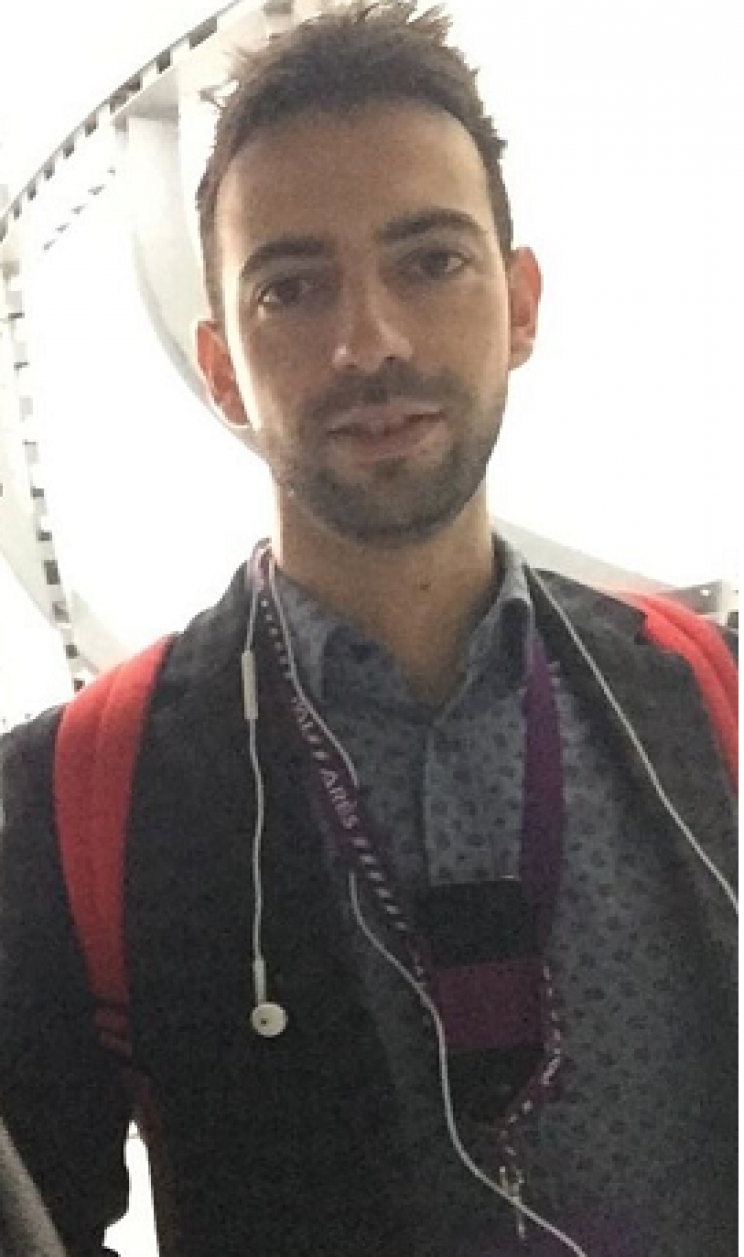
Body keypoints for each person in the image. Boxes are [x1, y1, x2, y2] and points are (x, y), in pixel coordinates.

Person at [0, 3, 737, 1255]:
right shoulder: (83, 791)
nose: (369, 343)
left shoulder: (699, 696)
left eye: (430, 261)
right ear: (222, 366)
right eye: (291, 288)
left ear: (520, 305)